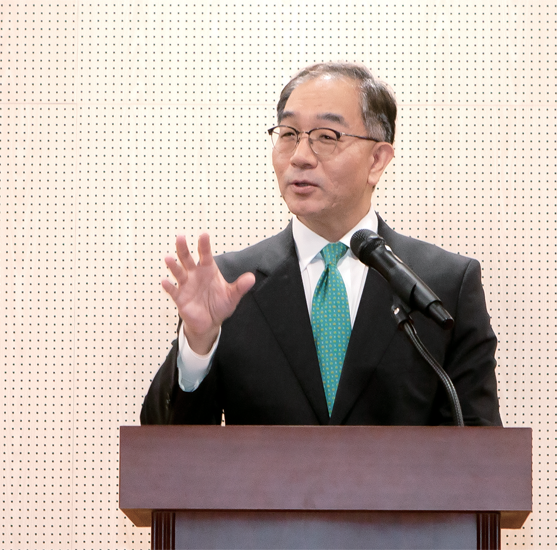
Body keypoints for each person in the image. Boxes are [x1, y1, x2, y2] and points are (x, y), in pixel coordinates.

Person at [140, 62, 502, 426]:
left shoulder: (442, 285)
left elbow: (479, 453)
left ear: (377, 160)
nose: (300, 156)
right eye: (288, 134)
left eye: (326, 136)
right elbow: (166, 448)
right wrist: (199, 343)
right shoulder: (230, 285)